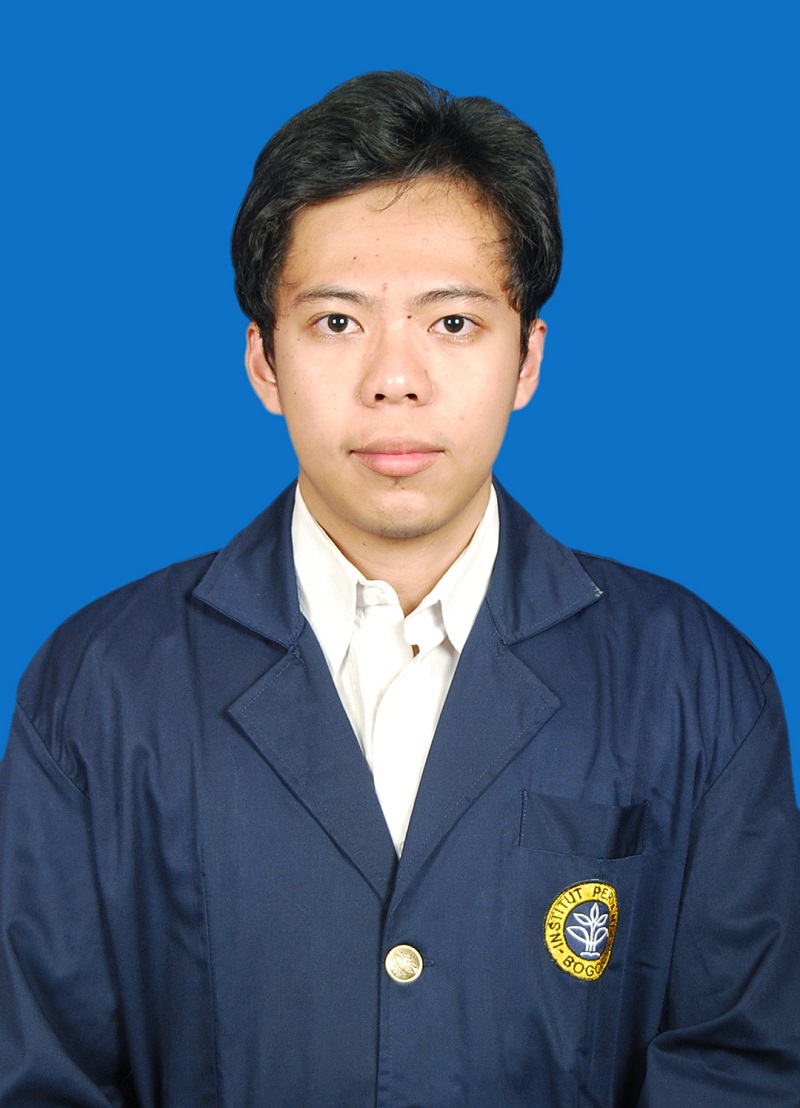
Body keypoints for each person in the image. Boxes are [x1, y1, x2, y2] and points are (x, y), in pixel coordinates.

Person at [0, 71, 798, 1107]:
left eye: (452, 323)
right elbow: (39, 1076)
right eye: (336, 323)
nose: (395, 378)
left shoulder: (698, 683)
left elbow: (743, 1065)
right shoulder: (95, 687)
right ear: (263, 361)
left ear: (527, 359)